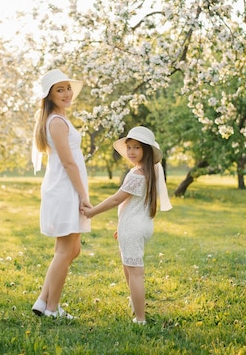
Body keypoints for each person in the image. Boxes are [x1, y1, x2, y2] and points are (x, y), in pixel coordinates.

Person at [82, 126, 172, 325]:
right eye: (129, 147)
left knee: (135, 271)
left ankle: (140, 318)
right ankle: (135, 302)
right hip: (141, 224)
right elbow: (132, 205)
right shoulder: (150, 173)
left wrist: (91, 212)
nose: (131, 152)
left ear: (146, 151)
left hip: (134, 227)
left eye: (136, 148)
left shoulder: (136, 175)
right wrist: (122, 228)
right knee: (128, 266)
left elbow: (116, 200)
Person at [30, 69, 92, 319]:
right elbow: (68, 163)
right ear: (49, 96)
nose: (67, 93)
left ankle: (43, 300)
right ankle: (52, 309)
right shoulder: (55, 121)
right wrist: (83, 196)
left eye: (68, 88)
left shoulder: (58, 119)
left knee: (71, 248)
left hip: (66, 188)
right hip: (65, 189)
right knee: (66, 249)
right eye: (60, 90)